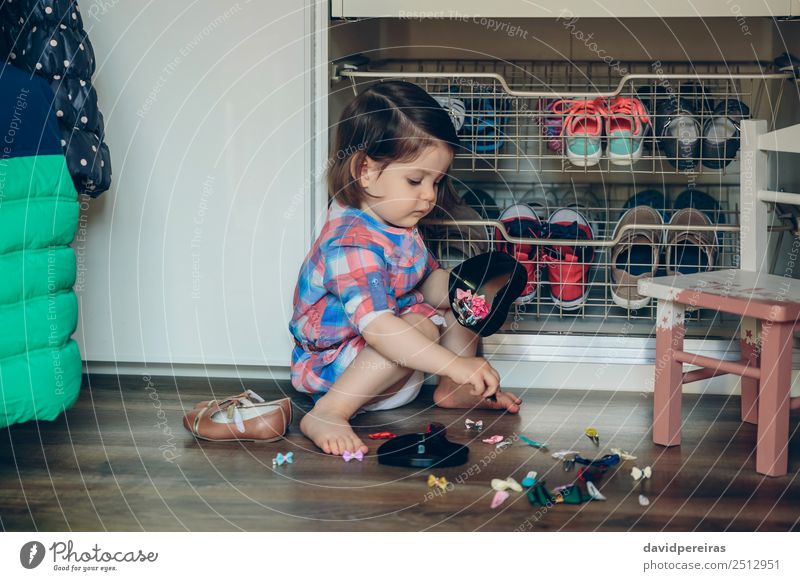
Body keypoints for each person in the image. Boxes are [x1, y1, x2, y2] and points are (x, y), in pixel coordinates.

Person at [289, 80, 522, 456]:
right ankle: (329, 413)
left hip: (394, 362)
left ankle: (454, 390)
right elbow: (379, 327)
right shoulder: (351, 241)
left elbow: (425, 282)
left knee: (459, 297)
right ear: (365, 170)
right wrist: (455, 363)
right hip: (340, 371)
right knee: (418, 326)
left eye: (437, 181)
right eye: (415, 180)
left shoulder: (396, 220)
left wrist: (466, 285)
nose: (429, 196)